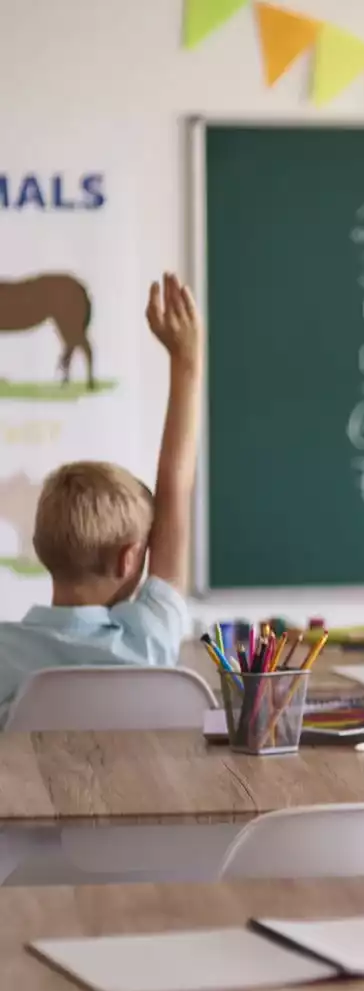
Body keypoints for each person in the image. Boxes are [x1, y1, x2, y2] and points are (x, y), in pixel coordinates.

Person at [0, 274, 203, 726]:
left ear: (39, 548)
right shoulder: (147, 641)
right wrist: (186, 360)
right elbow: (176, 485)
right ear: (131, 558)